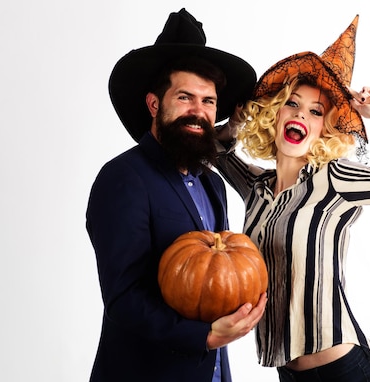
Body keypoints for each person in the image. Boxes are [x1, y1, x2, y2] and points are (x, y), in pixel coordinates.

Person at [215, 15, 370, 382]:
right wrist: (239, 116)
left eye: (316, 111)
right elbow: (214, 151)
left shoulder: (336, 177)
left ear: (324, 128)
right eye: (291, 104)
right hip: (288, 373)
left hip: (347, 371)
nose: (301, 115)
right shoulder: (257, 189)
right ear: (275, 113)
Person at [85, 9, 267, 382]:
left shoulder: (212, 183)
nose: (198, 112)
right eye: (185, 97)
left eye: (208, 101)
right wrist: (205, 335)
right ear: (155, 104)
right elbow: (123, 297)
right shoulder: (124, 178)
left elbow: (217, 279)